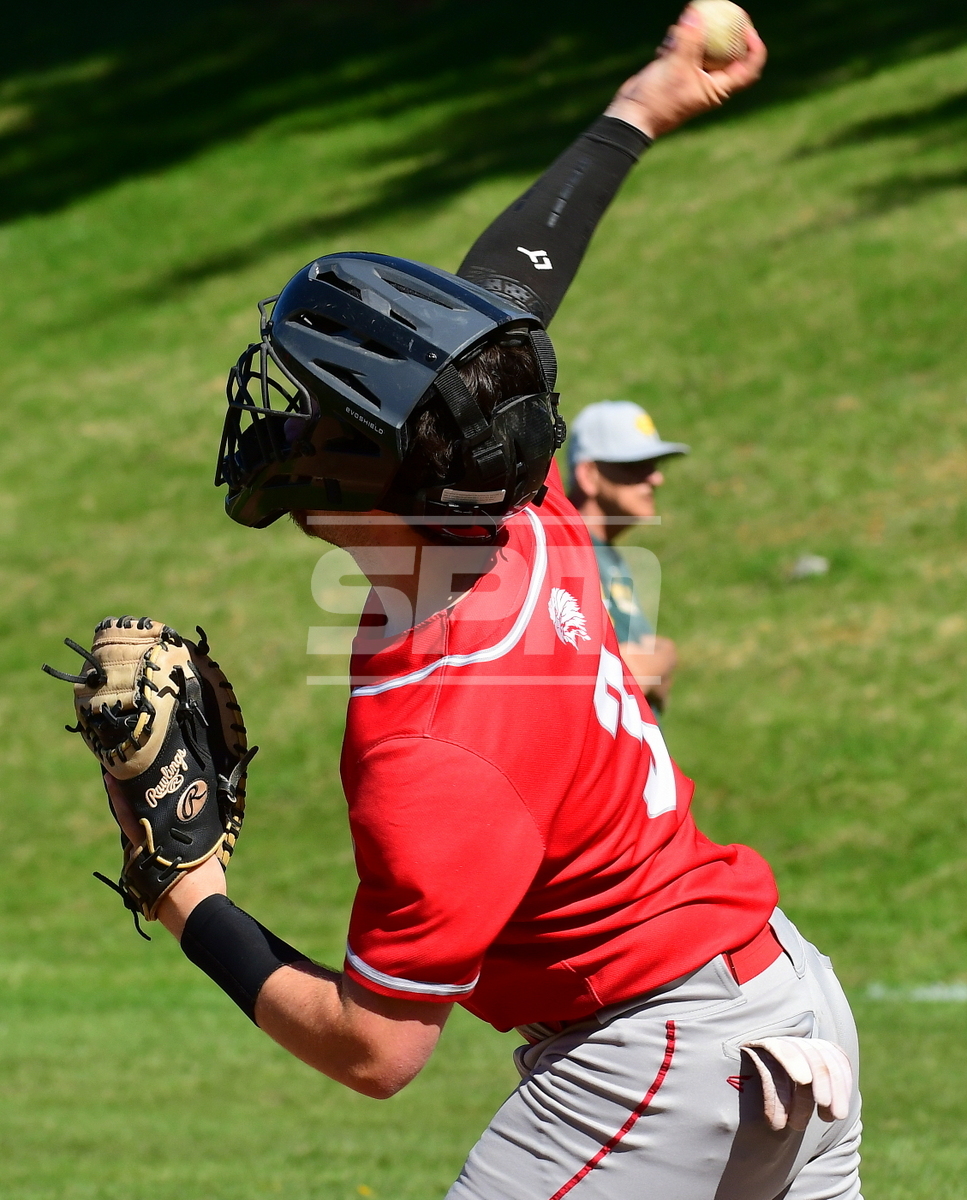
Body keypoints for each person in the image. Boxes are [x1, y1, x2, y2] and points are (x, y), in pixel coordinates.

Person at [106, 11, 864, 1199]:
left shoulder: (432, 731)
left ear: (359, 471)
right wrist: (636, 110)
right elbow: (501, 297)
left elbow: (375, 1049)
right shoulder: (513, 504)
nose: (282, 421)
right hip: (776, 996)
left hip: (660, 1066)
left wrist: (185, 896)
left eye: (310, 410)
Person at [568, 399, 688, 715]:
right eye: (636, 466)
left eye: (655, 465)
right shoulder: (567, 556)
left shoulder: (606, 555)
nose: (656, 479)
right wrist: (663, 658)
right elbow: (609, 679)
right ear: (589, 475)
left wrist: (657, 660)